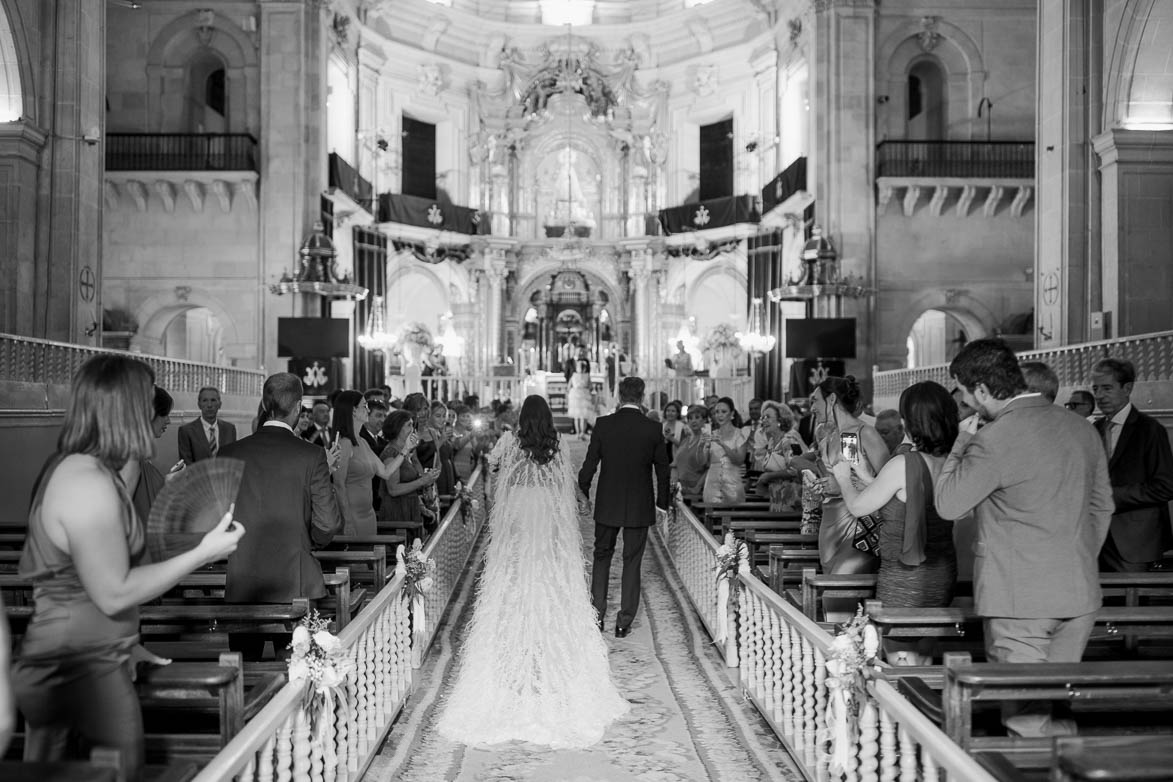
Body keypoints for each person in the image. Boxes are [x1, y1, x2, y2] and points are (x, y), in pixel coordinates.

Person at [12, 355, 244, 780]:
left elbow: (86, 582)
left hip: (90, 654)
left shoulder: (93, 471)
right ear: (124, 407)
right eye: (146, 400)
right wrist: (203, 553)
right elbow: (113, 590)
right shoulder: (86, 480)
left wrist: (126, 639)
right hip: (77, 665)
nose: (153, 412)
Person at [935, 338, 1112, 737]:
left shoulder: (993, 439)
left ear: (981, 390)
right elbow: (1103, 507)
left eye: (963, 392)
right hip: (1079, 592)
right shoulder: (1080, 428)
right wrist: (1077, 557)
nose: (964, 401)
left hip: (1020, 602)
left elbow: (948, 504)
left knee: (1026, 719)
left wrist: (962, 440)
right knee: (1056, 705)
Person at [438, 396, 629, 747]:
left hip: (519, 512)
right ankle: (546, 649)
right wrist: (582, 503)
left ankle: (515, 650)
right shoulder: (556, 446)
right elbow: (567, 486)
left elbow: (493, 467)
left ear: (523, 417)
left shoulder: (510, 441)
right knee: (547, 571)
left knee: (515, 573)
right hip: (546, 512)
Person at [217, 372, 341, 661]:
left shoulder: (229, 452)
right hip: (294, 582)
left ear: (263, 403)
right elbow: (328, 523)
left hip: (243, 581)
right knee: (296, 672)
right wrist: (308, 541)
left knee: (244, 671)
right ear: (298, 407)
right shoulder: (311, 455)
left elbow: (217, 519)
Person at [833, 382, 959, 665]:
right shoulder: (950, 460)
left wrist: (843, 477)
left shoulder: (904, 463)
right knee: (925, 652)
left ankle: (906, 707)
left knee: (900, 657)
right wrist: (867, 477)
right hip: (942, 570)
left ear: (910, 421)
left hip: (906, 575)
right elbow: (905, 498)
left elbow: (857, 506)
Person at [579, 376, 671, 637]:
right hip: (640, 504)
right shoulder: (653, 428)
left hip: (608, 501)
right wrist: (661, 504)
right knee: (632, 561)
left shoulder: (604, 425)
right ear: (642, 397)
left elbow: (590, 464)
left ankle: (597, 615)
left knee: (601, 555)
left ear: (619, 396)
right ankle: (624, 622)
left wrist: (583, 490)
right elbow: (663, 471)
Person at [1091, 358, 1173, 571]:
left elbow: (1165, 486)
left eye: (1107, 388)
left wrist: (1111, 495)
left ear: (1127, 388)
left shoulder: (1150, 430)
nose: (1099, 396)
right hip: (1094, 538)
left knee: (1132, 603)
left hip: (1134, 542)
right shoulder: (1092, 430)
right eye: (1096, 388)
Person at [814, 376, 889, 603]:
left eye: (815, 401)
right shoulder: (832, 437)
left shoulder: (860, 433)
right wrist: (821, 484)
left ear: (832, 399)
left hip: (858, 528)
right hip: (830, 527)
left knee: (837, 596)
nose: (812, 408)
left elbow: (889, 482)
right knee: (837, 602)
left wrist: (841, 485)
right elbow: (846, 473)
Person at [330, 391, 406, 536]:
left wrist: (406, 449)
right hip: (352, 515)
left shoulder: (363, 442)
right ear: (353, 411)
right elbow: (338, 485)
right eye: (364, 406)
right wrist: (347, 521)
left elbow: (385, 472)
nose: (368, 410)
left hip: (368, 514)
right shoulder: (344, 443)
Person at [378, 410, 439, 534]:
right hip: (397, 511)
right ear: (397, 428)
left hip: (410, 507)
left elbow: (410, 483)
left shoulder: (405, 452)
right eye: (409, 425)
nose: (413, 429)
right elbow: (393, 490)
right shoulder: (391, 453)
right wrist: (422, 481)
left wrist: (422, 508)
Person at [132, 385, 183, 525]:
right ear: (149, 415)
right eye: (164, 414)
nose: (169, 421)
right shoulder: (132, 460)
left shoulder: (139, 456)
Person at [702, 397, 749, 504]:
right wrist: (704, 447)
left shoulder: (740, 434)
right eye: (717, 412)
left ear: (732, 413)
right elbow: (704, 463)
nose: (720, 415)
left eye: (724, 412)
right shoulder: (711, 434)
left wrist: (723, 444)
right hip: (712, 482)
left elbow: (739, 460)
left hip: (732, 483)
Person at [176, 386, 236, 463]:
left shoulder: (230, 429)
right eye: (205, 400)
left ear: (220, 404)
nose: (209, 405)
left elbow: (233, 459)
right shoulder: (186, 431)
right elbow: (187, 465)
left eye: (213, 400)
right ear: (199, 404)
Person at [673, 405, 711, 497]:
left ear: (704, 420)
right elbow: (677, 463)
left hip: (696, 490)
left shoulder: (707, 440)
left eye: (697, 417)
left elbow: (710, 468)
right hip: (680, 488)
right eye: (690, 418)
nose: (693, 421)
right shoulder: (685, 440)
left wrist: (697, 487)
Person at [567, 353, 593, 438]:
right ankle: (582, 433)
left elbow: (568, 387)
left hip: (575, 395)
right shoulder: (587, 376)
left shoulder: (573, 375)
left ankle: (578, 433)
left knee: (576, 416)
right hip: (584, 395)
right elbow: (591, 387)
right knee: (583, 416)